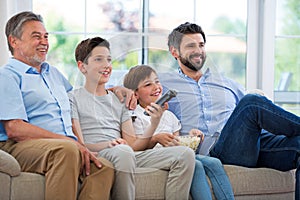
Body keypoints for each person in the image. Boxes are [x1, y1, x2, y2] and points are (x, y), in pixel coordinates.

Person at [0, 11, 134, 200]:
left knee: (103, 166)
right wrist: (68, 141)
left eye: (46, 36)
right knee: (67, 151)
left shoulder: (53, 73)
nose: (44, 42)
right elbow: (14, 128)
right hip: (21, 145)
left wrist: (115, 89)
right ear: (14, 41)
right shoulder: (7, 76)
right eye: (36, 36)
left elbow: (82, 95)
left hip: (62, 145)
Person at [159, 22, 300, 200]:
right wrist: (119, 90)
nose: (198, 50)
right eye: (190, 46)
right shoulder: (163, 84)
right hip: (219, 152)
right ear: (174, 52)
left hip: (252, 144)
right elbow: (134, 87)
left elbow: (255, 116)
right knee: (251, 102)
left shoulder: (226, 83)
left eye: (201, 45)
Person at [68, 36, 195, 200]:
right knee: (123, 151)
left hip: (125, 153)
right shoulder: (73, 97)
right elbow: (81, 144)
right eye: (99, 59)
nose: (106, 65)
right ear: (82, 66)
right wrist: (109, 144)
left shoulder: (120, 99)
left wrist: (154, 123)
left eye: (108, 60)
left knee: (185, 154)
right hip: (99, 153)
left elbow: (134, 145)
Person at [123, 64, 234, 200]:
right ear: (135, 93)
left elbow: (178, 143)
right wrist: (156, 138)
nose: (156, 87)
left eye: (157, 81)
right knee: (196, 165)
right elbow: (136, 148)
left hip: (176, 155)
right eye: (148, 85)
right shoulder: (135, 116)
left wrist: (191, 137)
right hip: (153, 156)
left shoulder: (169, 116)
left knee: (214, 162)